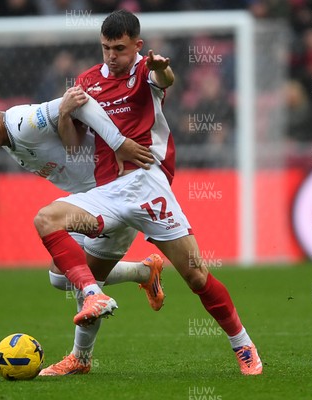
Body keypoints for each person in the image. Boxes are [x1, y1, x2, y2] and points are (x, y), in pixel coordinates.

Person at [34, 10, 262, 376]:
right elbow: (74, 144)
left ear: (137, 46)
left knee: (196, 275)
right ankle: (82, 355)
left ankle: (243, 345)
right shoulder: (88, 81)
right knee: (60, 260)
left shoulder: (145, 70)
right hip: (106, 193)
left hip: (146, 186)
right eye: (106, 47)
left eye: (120, 48)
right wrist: (64, 112)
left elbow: (165, 78)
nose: (111, 55)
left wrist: (160, 67)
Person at [0, 91, 167, 369]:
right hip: (89, 200)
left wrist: (117, 143)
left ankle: (81, 358)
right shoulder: (7, 138)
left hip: (115, 193)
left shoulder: (23, 122)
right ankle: (143, 271)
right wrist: (66, 118)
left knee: (87, 283)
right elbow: (69, 131)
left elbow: (79, 101)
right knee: (60, 276)